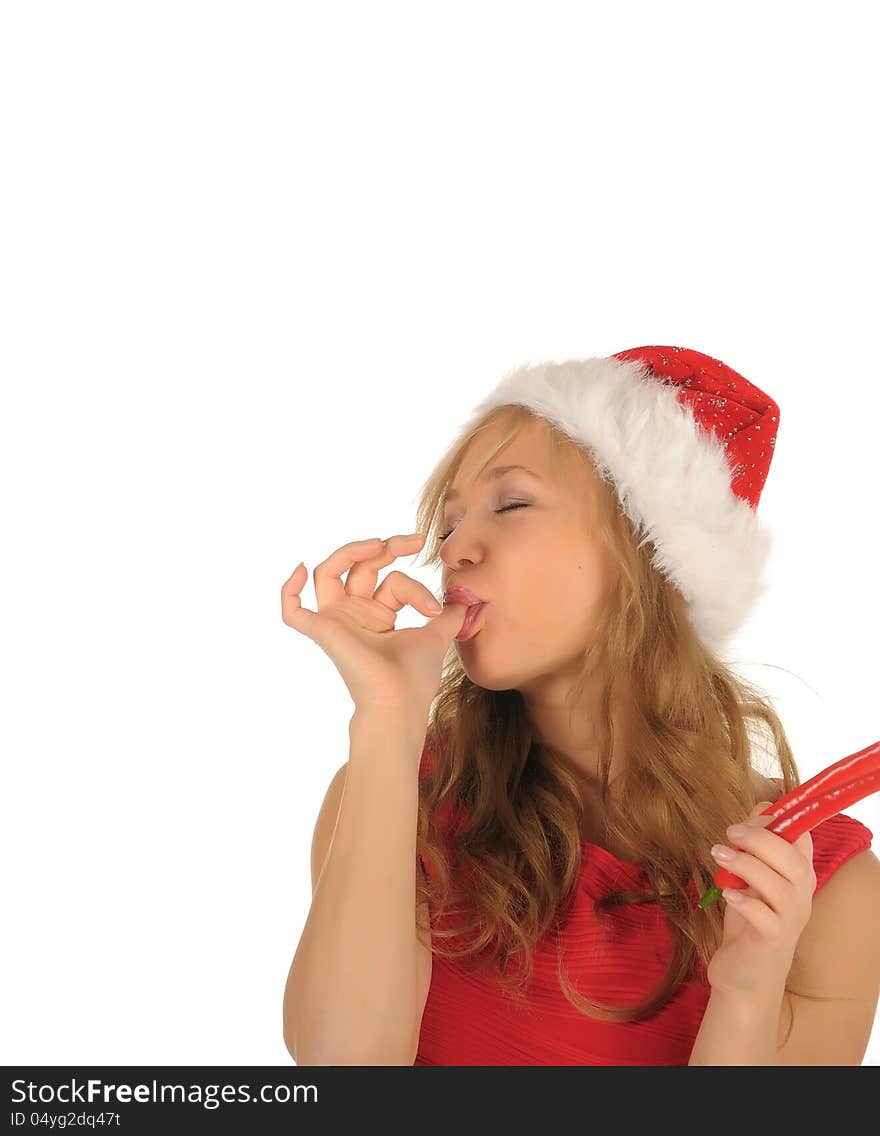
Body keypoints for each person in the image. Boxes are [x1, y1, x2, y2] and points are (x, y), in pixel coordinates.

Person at [281, 345, 880, 1066]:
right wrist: (385, 713)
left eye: (511, 503)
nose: (455, 551)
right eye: (448, 525)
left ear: (646, 551)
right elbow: (343, 1072)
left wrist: (748, 995)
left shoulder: (831, 892)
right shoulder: (398, 800)